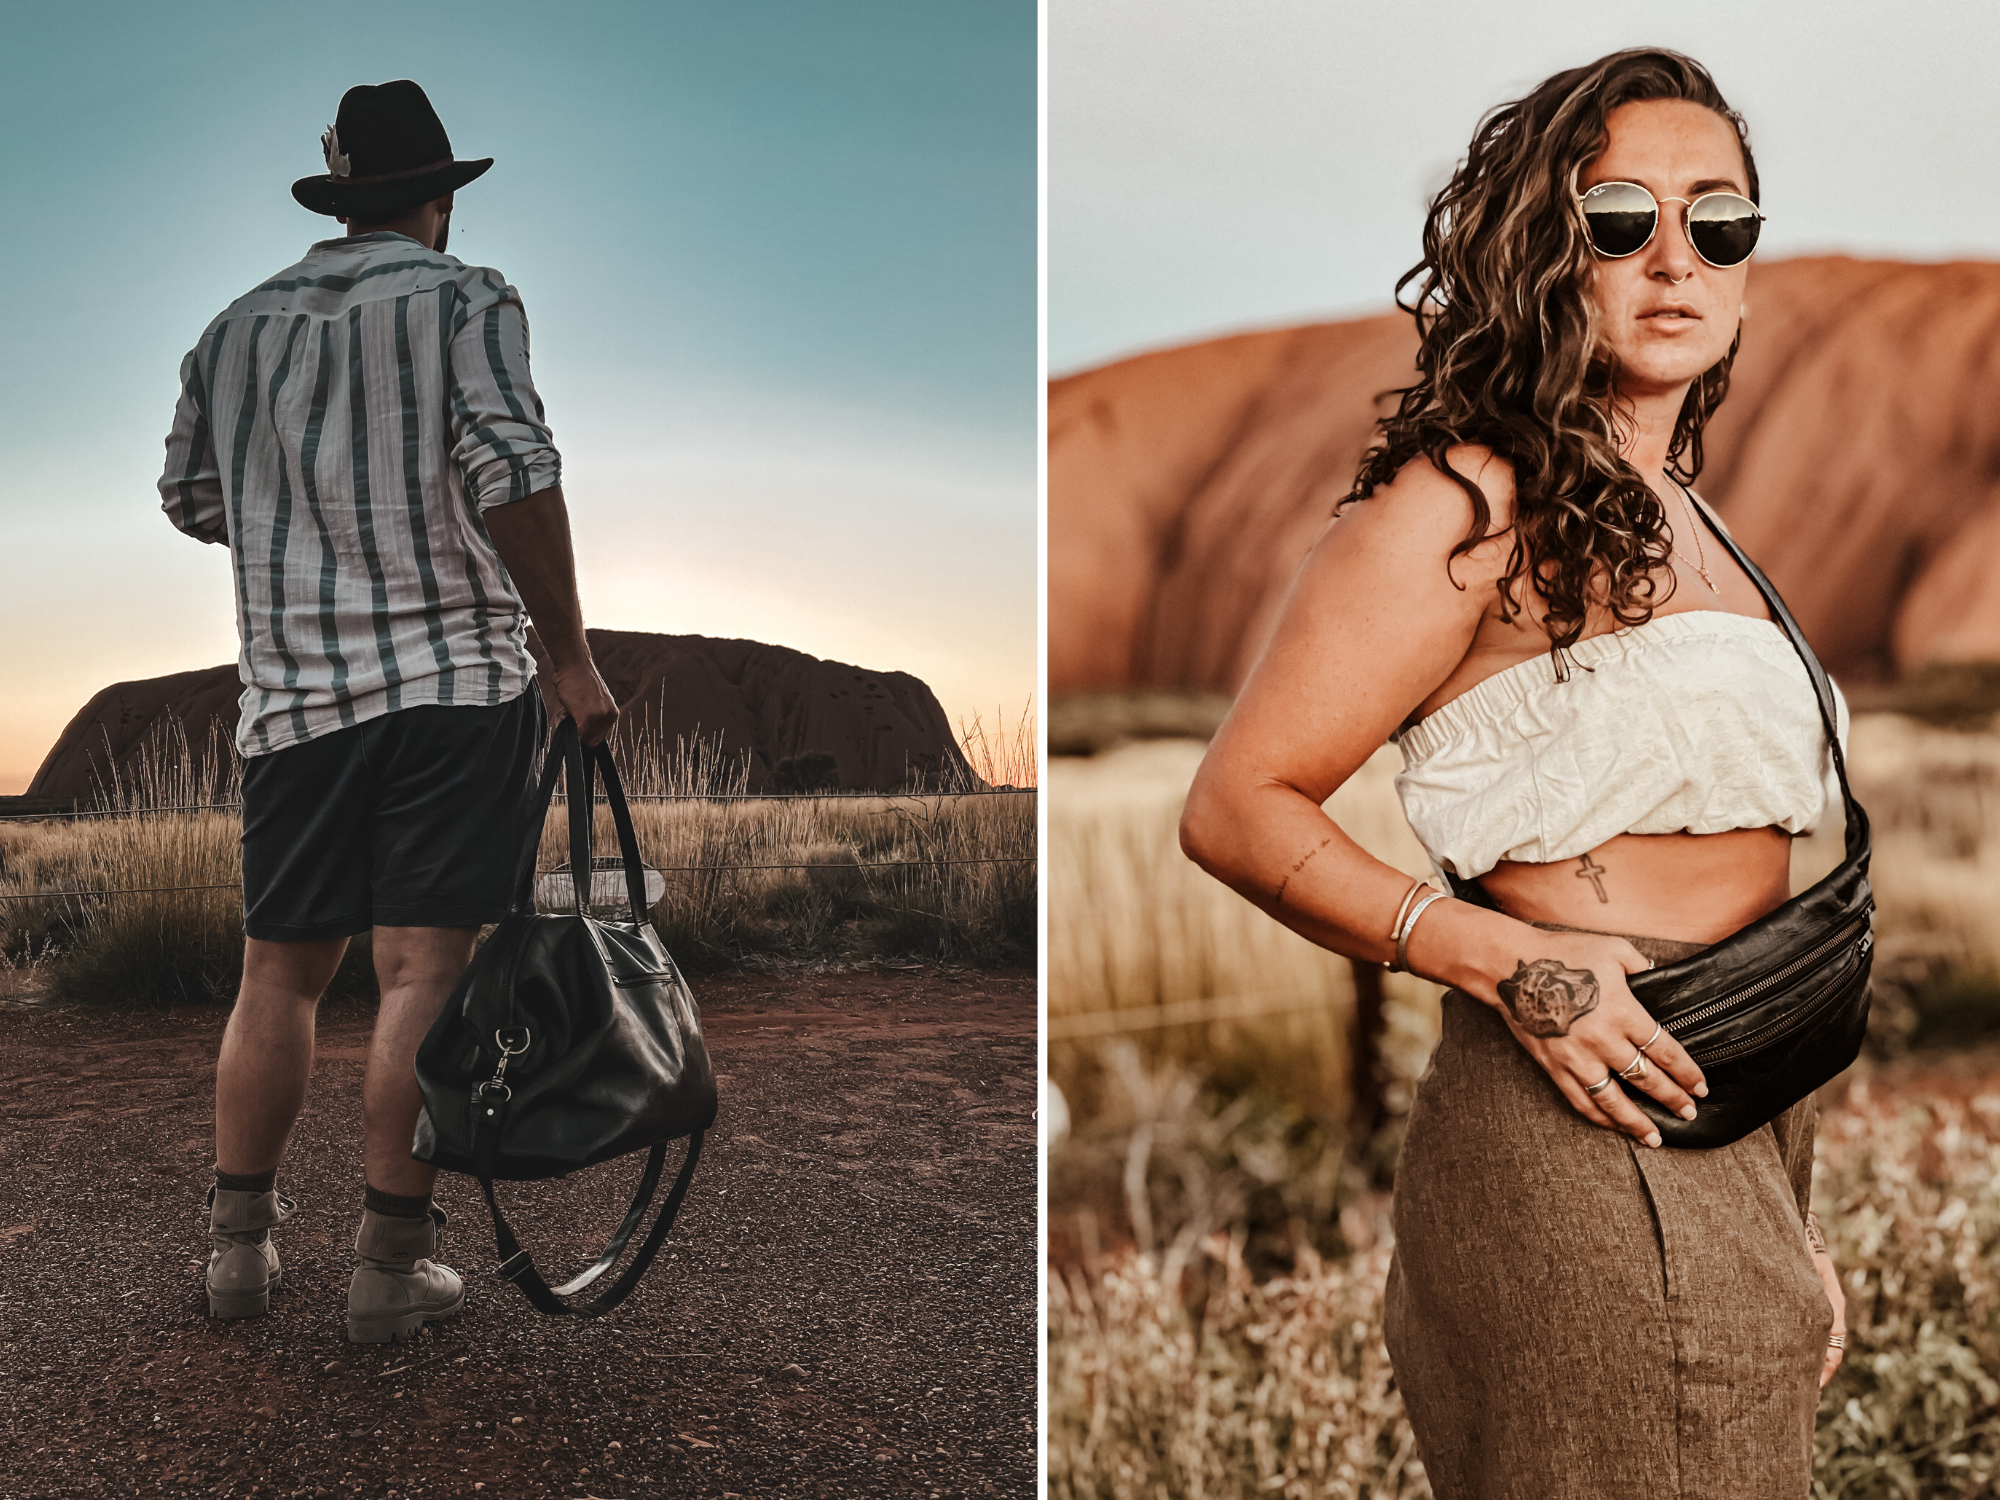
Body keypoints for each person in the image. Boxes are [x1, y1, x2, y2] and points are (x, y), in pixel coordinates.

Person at [1180, 50, 1846, 1497]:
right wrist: (1506, 963)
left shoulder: (1694, 516)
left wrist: (1782, 1212)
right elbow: (1237, 805)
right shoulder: (1470, 498)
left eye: (1718, 221)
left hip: (1734, 1118)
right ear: (1545, 247)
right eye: (1620, 218)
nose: (1676, 257)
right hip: (1582, 1133)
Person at [161, 80, 620, 1343]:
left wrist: (294, 512)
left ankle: (237, 1258)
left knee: (279, 975)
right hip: (450, 684)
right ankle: (385, 1270)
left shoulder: (230, 330)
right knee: (423, 967)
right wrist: (569, 654)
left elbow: (191, 498)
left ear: (337, 194)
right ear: (440, 197)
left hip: (295, 695)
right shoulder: (466, 295)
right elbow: (514, 468)